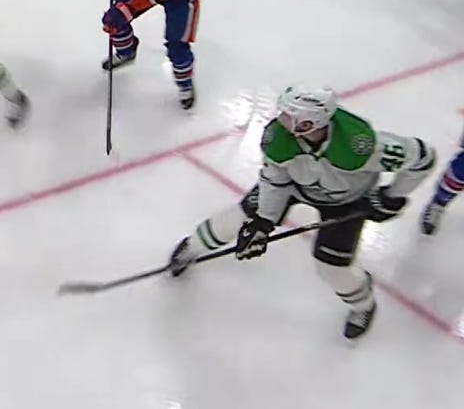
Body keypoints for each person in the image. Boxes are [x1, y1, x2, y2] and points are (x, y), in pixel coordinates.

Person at [167, 86, 436, 339]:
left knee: (332, 269)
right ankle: (193, 247)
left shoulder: (362, 145)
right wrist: (263, 221)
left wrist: (391, 196)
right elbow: (274, 180)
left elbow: (423, 158)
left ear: (312, 122)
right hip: (294, 187)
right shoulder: (278, 139)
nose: (281, 121)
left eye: (290, 117)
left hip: (347, 201)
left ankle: (362, 304)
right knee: (241, 218)